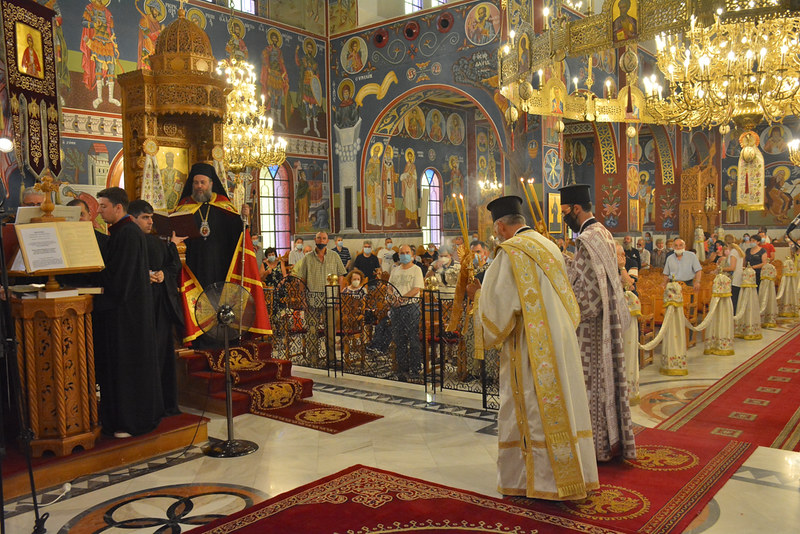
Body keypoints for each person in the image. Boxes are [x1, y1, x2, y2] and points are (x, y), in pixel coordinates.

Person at [468, 195, 598, 499]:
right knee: (563, 401)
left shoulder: (510, 252)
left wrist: (476, 295)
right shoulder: (548, 245)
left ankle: (542, 482)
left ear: (500, 227)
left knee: (533, 408)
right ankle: (572, 474)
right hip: (560, 336)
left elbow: (498, 310)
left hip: (531, 343)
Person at [559, 183, 636, 462]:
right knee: (605, 384)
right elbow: (590, 276)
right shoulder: (603, 232)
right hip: (606, 321)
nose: (564, 217)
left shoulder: (586, 239)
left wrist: (565, 297)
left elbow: (588, 297)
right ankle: (607, 443)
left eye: (565, 212)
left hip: (591, 329)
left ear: (577, 208)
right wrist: (566, 261)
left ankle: (596, 448)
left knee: (592, 388)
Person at [173, 163, 270, 345]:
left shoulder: (223, 206)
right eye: (196, 183)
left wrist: (244, 218)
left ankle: (225, 340)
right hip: (194, 266)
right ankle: (200, 341)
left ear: (211, 183)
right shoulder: (184, 207)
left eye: (203, 182)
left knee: (220, 301)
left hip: (221, 266)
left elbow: (239, 234)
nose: (199, 186)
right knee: (198, 304)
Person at [94, 187, 162, 437]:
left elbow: (119, 279)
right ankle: (118, 420)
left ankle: (130, 421)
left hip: (128, 316)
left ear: (118, 207)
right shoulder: (122, 232)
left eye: (103, 206)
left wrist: (93, 287)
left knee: (127, 369)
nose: (100, 211)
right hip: (125, 312)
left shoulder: (128, 234)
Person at [129, 199, 184, 417]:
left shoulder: (157, 242)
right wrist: (143, 276)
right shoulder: (127, 242)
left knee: (161, 353)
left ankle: (165, 402)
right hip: (138, 309)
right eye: (145, 217)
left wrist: (164, 275)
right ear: (132, 218)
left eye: (151, 217)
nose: (150, 222)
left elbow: (172, 266)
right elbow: (123, 271)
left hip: (160, 307)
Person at [387, 244, 424, 381]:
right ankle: (402, 368)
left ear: (412, 255)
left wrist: (402, 298)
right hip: (396, 307)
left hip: (411, 307)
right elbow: (389, 287)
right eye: (402, 253)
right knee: (399, 339)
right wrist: (393, 298)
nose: (404, 255)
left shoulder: (416, 270)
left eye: (407, 252)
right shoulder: (395, 270)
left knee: (412, 338)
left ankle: (415, 369)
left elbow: (416, 288)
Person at [721, 237, 744, 311]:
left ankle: (732, 315)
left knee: (733, 300)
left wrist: (721, 269)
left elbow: (732, 267)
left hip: (735, 278)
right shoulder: (737, 250)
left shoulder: (733, 252)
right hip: (738, 277)